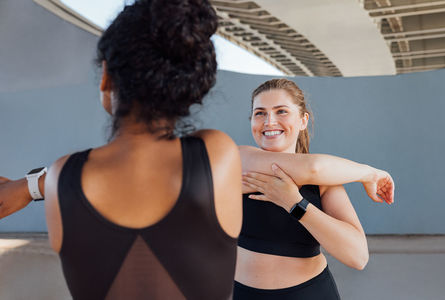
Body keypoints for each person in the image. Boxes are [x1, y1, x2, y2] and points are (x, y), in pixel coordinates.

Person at [2, 0, 243, 299]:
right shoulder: (217, 154)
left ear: (106, 77)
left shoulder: (64, 176)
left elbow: (112, 174)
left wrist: (27, 186)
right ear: (190, 85)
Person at [231, 78, 394, 299]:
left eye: (281, 111)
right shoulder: (241, 159)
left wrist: (295, 204)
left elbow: (358, 257)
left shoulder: (326, 182)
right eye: (260, 113)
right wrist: (370, 173)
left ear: (303, 120)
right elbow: (313, 167)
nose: (269, 121)